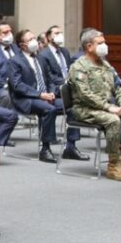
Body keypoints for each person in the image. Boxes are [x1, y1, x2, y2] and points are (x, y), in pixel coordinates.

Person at [67, 29, 121, 182]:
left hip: (106, 107)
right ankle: (113, 164)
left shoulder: (106, 65)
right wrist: (110, 108)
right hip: (84, 109)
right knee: (113, 120)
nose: (105, 46)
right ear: (89, 46)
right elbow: (85, 95)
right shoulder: (78, 67)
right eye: (100, 43)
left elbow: (118, 89)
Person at [10, 29, 81, 163]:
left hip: (46, 96)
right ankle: (45, 149)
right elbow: (17, 85)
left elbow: (49, 80)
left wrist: (52, 93)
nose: (34, 42)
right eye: (30, 40)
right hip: (26, 99)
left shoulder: (40, 58)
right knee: (49, 109)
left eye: (34, 38)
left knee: (72, 107)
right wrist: (40, 95)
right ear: (22, 45)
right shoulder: (15, 61)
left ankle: (70, 147)